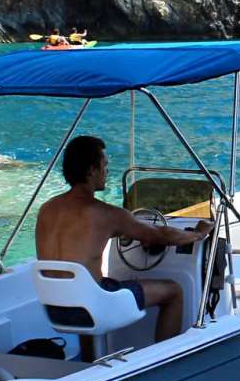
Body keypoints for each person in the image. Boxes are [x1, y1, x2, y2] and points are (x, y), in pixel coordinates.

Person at [35, 135, 209, 342]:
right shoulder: (106, 214)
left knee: (90, 287)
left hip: (55, 308)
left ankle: (93, 363)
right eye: (104, 165)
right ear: (91, 170)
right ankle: (162, 360)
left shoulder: (46, 210)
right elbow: (159, 235)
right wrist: (197, 234)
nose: (107, 171)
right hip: (92, 307)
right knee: (173, 292)